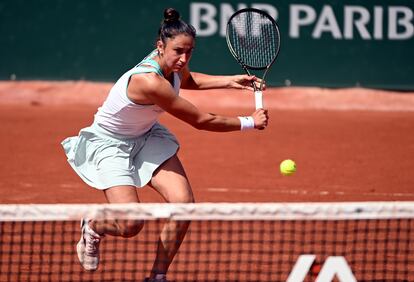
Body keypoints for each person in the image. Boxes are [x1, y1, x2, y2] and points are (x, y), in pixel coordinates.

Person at [61, 7, 268, 282]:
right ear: (160, 46)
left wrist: (231, 81)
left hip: (146, 136)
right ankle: (94, 225)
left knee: (183, 205)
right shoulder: (149, 82)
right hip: (109, 145)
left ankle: (157, 277)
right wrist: (249, 122)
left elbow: (187, 79)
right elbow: (201, 120)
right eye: (178, 51)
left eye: (189, 52)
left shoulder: (171, 64)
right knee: (131, 224)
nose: (184, 59)